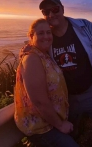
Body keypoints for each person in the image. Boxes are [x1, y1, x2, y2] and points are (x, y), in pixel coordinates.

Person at [21, 0, 92, 147]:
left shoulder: (84, 27)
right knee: (71, 136)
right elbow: (36, 48)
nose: (51, 14)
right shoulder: (47, 36)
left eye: (55, 9)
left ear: (63, 8)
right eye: (46, 12)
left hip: (90, 91)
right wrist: (27, 49)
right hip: (64, 100)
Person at [14, 18, 79, 147]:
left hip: (51, 122)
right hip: (42, 127)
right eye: (41, 33)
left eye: (48, 32)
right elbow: (39, 101)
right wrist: (60, 125)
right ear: (32, 36)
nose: (46, 36)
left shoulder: (44, 54)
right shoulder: (32, 58)